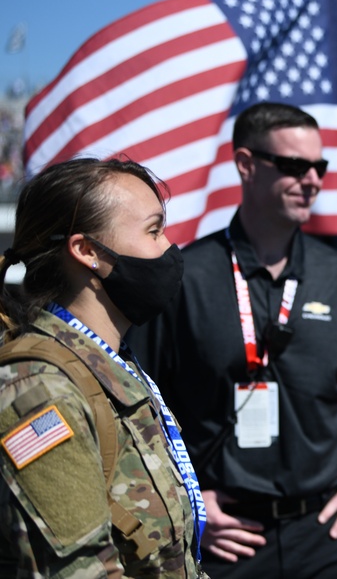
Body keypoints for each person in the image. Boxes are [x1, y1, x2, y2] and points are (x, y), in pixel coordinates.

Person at [130, 102, 337, 578]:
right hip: (226, 538)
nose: (312, 179)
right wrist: (183, 498)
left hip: (331, 534)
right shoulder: (184, 278)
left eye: (319, 166)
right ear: (246, 165)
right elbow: (134, 401)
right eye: (293, 165)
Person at [0, 157, 206, 577]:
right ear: (88, 251)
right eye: (153, 231)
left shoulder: (110, 363)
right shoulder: (38, 390)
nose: (168, 247)